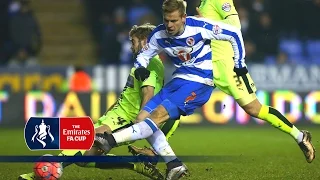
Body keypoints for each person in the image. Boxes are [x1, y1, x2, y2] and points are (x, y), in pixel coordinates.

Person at [93, 0, 246, 179]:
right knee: (141, 117)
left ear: (183, 17)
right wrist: (141, 65)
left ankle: (110, 140)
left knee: (157, 115)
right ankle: (174, 164)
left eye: (174, 21)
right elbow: (144, 54)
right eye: (166, 20)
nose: (169, 25)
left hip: (200, 81)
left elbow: (234, 33)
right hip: (179, 79)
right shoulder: (159, 34)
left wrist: (239, 63)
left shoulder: (199, 26)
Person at [18, 23, 181, 180]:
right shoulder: (146, 61)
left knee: (83, 138)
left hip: (126, 119)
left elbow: (148, 92)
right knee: (87, 157)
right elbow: (130, 95)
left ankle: (46, 170)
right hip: (116, 115)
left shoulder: (151, 63)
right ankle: (136, 165)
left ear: (145, 41)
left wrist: (142, 124)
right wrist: (110, 111)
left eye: (134, 41)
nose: (131, 46)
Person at [196, 0, 315, 162]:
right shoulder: (202, 3)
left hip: (226, 65)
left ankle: (300, 136)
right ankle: (163, 152)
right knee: (179, 102)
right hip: (205, 65)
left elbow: (234, 23)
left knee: (254, 108)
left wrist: (205, 23)